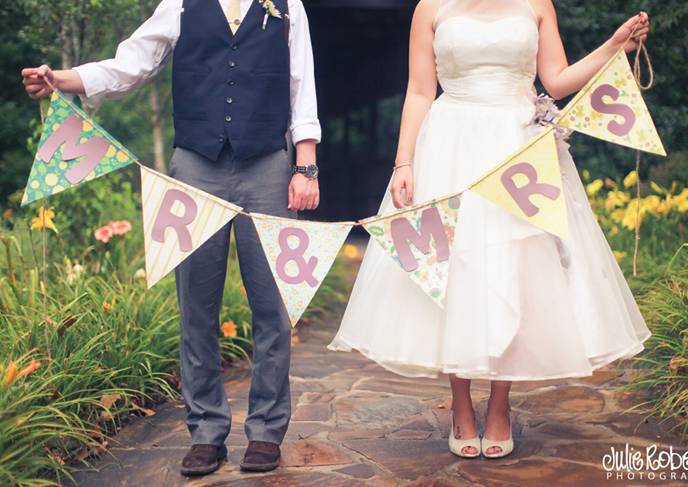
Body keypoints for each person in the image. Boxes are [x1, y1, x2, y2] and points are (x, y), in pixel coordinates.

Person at [329, 0, 651, 459]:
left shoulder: (537, 4)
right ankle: (461, 403)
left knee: (514, 268)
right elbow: (421, 91)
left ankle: (500, 403)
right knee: (451, 273)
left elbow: (556, 80)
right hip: (448, 146)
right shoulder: (430, 8)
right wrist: (404, 161)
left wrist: (613, 46)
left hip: (518, 152)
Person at [22, 0, 321, 476]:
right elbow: (129, 64)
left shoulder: (288, 6)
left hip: (269, 164)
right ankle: (206, 433)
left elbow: (301, 84)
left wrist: (305, 167)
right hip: (195, 168)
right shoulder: (180, 4)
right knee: (196, 306)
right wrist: (60, 78)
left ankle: (265, 432)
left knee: (273, 306)